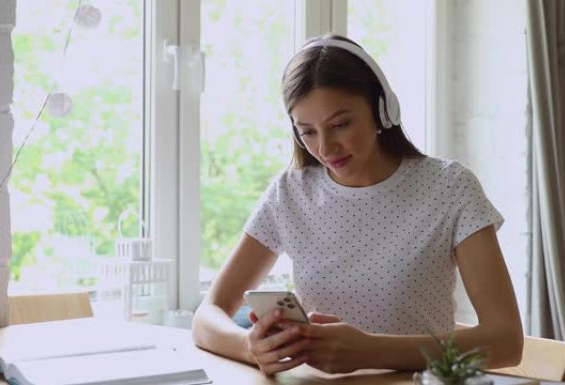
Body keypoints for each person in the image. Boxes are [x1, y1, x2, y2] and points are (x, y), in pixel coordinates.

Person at [192, 33, 523, 376]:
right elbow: (206, 316)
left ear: (382, 110)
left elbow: (506, 341)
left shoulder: (450, 187)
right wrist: (250, 346)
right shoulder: (289, 194)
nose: (325, 148)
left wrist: (372, 351)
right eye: (307, 131)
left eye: (340, 124)